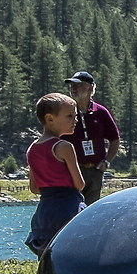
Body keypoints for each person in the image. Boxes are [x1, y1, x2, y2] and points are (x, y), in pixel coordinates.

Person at [26, 93, 87, 256]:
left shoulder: (32, 149)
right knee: (72, 252)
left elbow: (34, 188)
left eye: (75, 116)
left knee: (47, 254)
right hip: (67, 207)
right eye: (70, 116)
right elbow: (79, 184)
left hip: (45, 211)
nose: (75, 120)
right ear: (50, 118)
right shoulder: (64, 147)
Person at [66, 70, 122, 204]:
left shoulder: (100, 112)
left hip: (95, 172)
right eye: (72, 85)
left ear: (90, 88)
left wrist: (106, 161)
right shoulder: (65, 111)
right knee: (72, 209)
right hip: (71, 172)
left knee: (91, 210)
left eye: (78, 85)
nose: (73, 88)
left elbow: (115, 138)